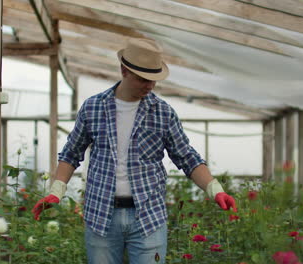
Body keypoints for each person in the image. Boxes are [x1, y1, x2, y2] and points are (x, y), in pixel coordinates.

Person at [32, 38, 237, 264]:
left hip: (148, 217)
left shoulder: (163, 112)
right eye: (143, 79)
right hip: (101, 214)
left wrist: (215, 189)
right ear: (124, 70)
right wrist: (56, 190)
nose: (149, 85)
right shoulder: (93, 107)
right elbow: (71, 153)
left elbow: (186, 157)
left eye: (153, 80)